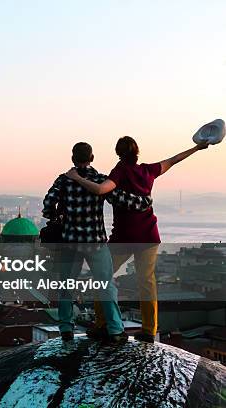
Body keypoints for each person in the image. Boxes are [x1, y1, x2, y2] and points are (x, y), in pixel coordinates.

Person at [66, 137, 210, 342]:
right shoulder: (147, 171)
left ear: (118, 152)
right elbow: (174, 159)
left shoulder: (119, 171)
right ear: (137, 152)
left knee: (102, 278)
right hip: (149, 236)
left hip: (123, 238)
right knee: (147, 283)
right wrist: (197, 147)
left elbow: (99, 190)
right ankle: (149, 330)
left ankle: (102, 324)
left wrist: (75, 177)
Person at [42, 142, 152, 344]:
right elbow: (122, 199)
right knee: (106, 285)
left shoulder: (64, 181)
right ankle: (116, 329)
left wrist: (57, 216)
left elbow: (48, 204)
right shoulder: (99, 180)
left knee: (67, 285)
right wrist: (144, 202)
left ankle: (66, 328)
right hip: (96, 242)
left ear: (73, 158)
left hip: (70, 242)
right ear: (92, 158)